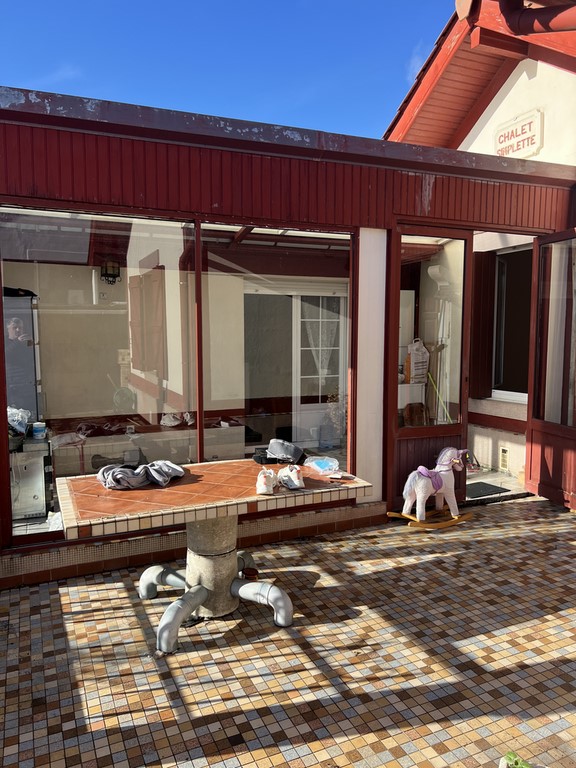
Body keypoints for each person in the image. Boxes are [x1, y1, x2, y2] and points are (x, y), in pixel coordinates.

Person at [5, 316, 35, 410]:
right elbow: (5, 355)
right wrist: (17, 342)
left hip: (28, 385)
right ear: (8, 329)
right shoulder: (5, 341)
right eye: (14, 328)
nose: (18, 330)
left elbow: (33, 358)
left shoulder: (25, 342)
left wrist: (32, 344)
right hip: (13, 387)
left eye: (20, 328)